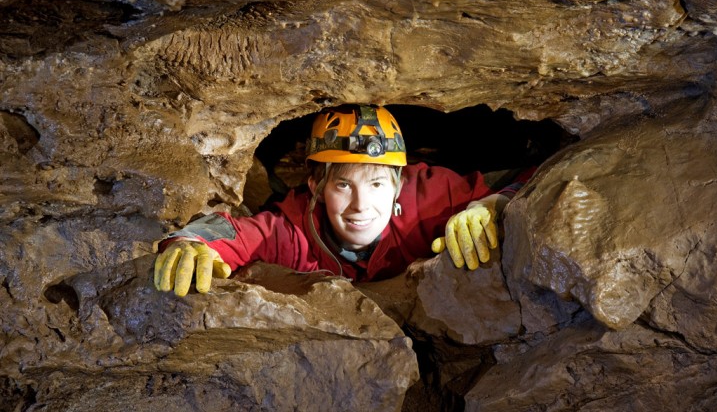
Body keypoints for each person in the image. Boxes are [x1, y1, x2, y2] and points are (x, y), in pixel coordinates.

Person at [153, 104, 532, 296]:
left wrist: (493, 204)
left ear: (399, 183)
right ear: (316, 185)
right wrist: (189, 243)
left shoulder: (432, 196)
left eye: (378, 185)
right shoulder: (291, 230)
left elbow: (528, 176)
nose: (361, 206)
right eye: (343, 186)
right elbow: (230, 233)